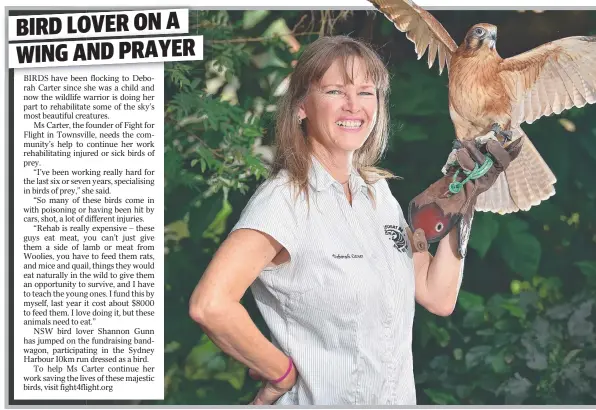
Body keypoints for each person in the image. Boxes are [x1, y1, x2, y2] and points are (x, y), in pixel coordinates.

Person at [189, 35, 518, 405]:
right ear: (301, 106)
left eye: (366, 92)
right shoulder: (284, 201)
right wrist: (279, 372)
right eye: (334, 91)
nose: (353, 106)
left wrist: (466, 199)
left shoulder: (377, 196)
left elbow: (436, 294)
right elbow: (210, 305)